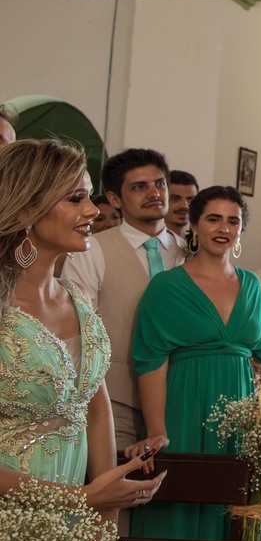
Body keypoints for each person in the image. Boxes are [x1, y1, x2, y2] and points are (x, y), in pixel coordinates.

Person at [0, 140, 163, 516]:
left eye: (89, 197)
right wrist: (83, 499)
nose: (92, 210)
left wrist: (104, 515)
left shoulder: (77, 298)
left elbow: (95, 408)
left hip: (75, 519)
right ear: (26, 207)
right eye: (75, 198)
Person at [127, 185, 261, 541]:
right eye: (213, 219)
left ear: (241, 231)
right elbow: (151, 362)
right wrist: (158, 430)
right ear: (194, 225)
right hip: (186, 410)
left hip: (241, 418)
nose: (223, 228)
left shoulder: (252, 288)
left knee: (235, 520)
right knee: (180, 511)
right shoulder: (166, 287)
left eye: (233, 221)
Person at [63, 147, 187, 455]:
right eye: (139, 186)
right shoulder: (92, 250)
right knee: (120, 492)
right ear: (115, 199)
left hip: (183, 396)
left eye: (159, 183)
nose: (154, 193)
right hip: (117, 399)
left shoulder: (190, 253)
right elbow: (78, 328)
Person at [166, 169, 199, 239]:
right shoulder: (150, 245)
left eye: (190, 200)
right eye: (175, 199)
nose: (185, 205)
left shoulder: (200, 244)